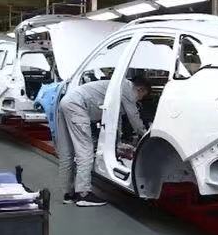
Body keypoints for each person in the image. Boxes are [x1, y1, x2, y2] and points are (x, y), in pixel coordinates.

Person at [56, 75, 151, 207]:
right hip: (78, 105)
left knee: (67, 152)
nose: (139, 100)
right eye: (142, 96)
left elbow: (115, 119)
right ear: (140, 89)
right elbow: (134, 117)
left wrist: (117, 143)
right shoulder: (128, 88)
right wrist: (146, 135)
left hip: (67, 102)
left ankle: (68, 194)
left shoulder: (118, 87)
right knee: (85, 151)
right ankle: (83, 194)